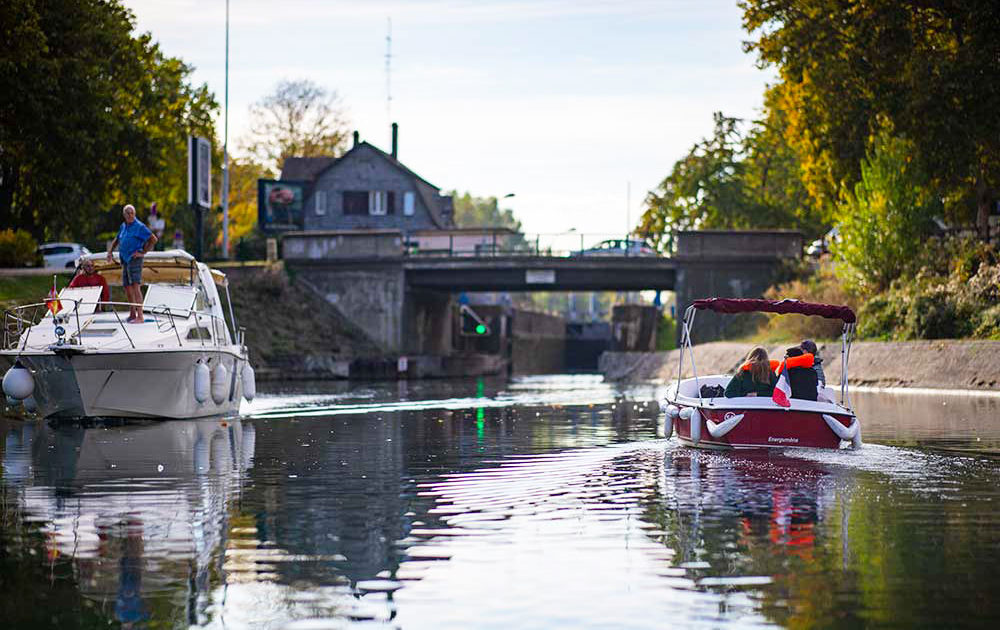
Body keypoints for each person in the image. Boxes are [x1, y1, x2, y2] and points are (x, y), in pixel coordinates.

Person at [107, 204, 157, 323]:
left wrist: (143, 252)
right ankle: (132, 314)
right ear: (124, 215)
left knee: (135, 286)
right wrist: (110, 252)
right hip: (124, 259)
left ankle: (140, 316)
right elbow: (117, 239)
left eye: (132, 213)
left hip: (134, 259)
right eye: (127, 213)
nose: (130, 215)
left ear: (134, 214)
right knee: (127, 287)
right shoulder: (123, 226)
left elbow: (153, 239)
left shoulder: (140, 226)